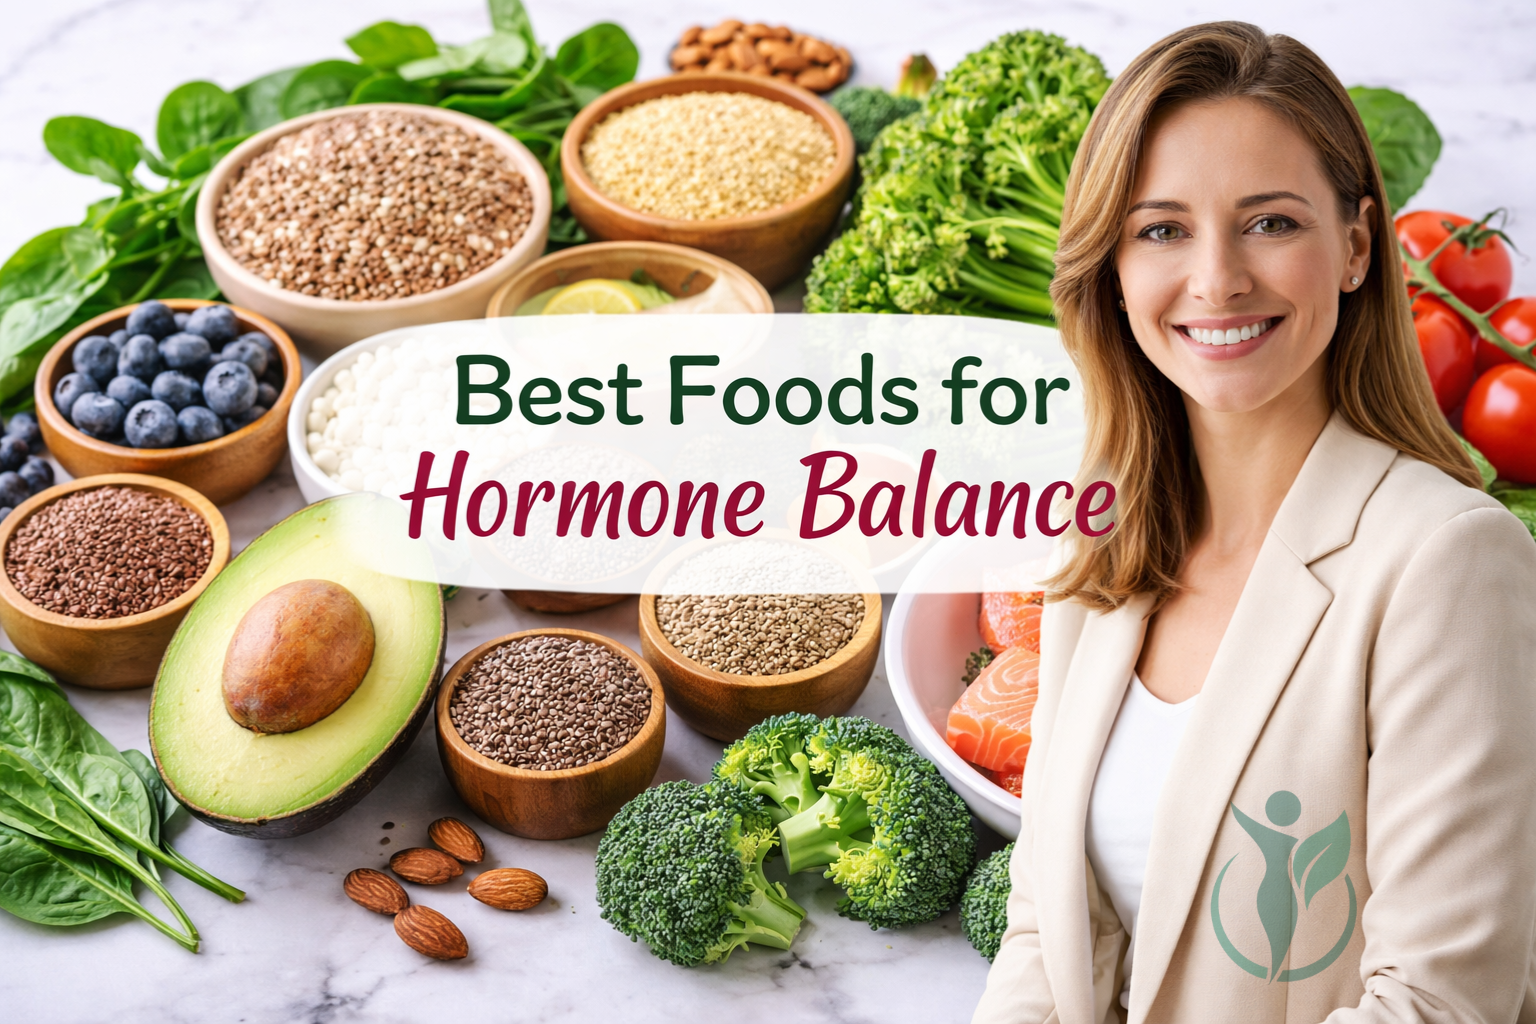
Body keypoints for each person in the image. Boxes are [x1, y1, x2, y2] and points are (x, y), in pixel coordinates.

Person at [972, 21, 1536, 1024]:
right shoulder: (1102, 540)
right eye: (1161, 229)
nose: (1218, 278)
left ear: (1358, 246)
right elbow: (1045, 933)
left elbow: (1439, 1003)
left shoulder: (1449, 559)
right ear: (1111, 268)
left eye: (1270, 222)